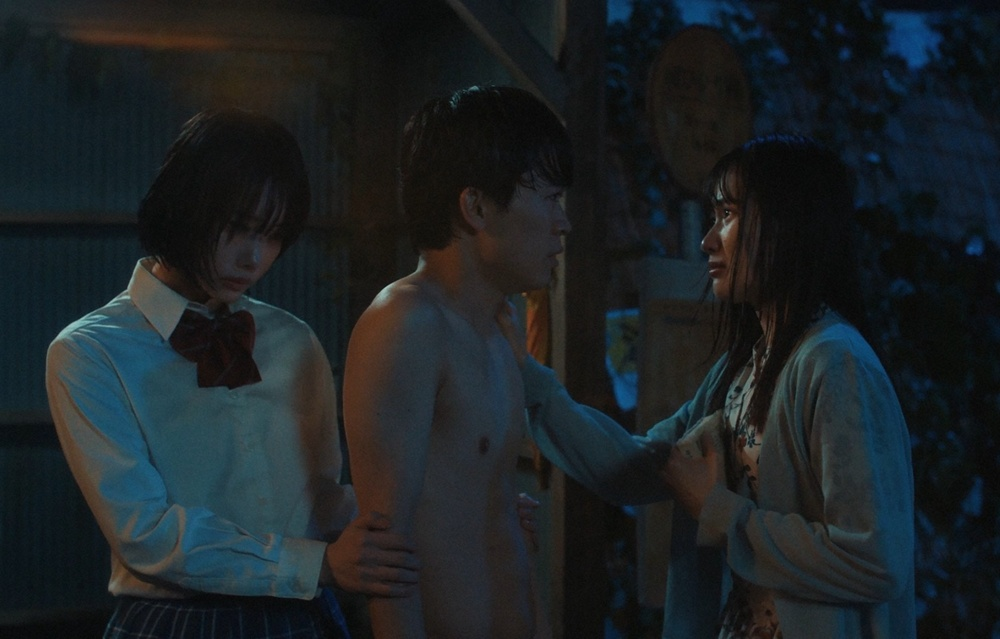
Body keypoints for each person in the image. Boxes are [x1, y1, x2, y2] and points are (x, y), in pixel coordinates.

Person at [498, 134, 916, 638]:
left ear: (786, 225)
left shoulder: (835, 362)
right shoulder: (742, 369)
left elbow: (875, 559)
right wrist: (526, 375)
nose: (708, 240)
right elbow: (634, 466)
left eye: (728, 215)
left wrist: (720, 513)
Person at [45, 108, 419, 639]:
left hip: (304, 613)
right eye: (238, 228)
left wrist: (461, 511)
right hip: (178, 622)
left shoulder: (292, 340)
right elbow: (145, 532)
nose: (253, 257)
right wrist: (315, 565)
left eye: (272, 235)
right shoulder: (91, 352)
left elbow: (321, 500)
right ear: (184, 206)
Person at [341, 85, 572, 639]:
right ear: (476, 207)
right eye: (548, 198)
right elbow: (385, 556)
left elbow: (504, 529)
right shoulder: (406, 322)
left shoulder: (498, 330)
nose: (562, 223)